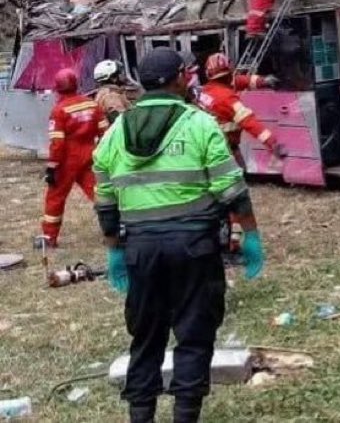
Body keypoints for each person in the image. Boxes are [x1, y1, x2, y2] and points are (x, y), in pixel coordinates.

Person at [92, 48, 266, 423]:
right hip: (194, 249)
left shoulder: (115, 133)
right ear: (177, 80)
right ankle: (185, 416)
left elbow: (105, 202)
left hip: (141, 249)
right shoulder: (200, 124)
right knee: (194, 338)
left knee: (146, 339)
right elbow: (231, 190)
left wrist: (114, 251)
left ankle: (142, 417)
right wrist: (250, 236)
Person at [36, 68, 108, 249]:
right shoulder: (92, 105)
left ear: (57, 89)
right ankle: (117, 227)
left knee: (55, 198)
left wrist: (52, 166)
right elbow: (106, 133)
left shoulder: (59, 111)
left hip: (67, 160)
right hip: (91, 156)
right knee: (101, 194)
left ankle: (49, 237)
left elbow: (57, 143)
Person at [197, 53, 284, 165]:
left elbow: (239, 81)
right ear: (230, 72)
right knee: (236, 177)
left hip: (207, 146)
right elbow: (250, 122)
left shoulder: (207, 90)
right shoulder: (227, 99)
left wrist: (262, 81)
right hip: (223, 150)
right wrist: (273, 144)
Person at [93, 59, 135, 124]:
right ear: (113, 78)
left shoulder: (103, 93)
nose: (122, 76)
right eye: (119, 73)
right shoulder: (111, 96)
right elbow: (122, 121)